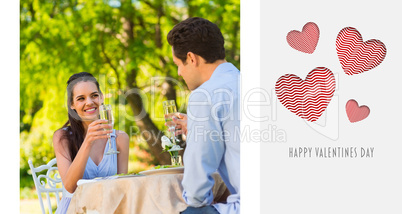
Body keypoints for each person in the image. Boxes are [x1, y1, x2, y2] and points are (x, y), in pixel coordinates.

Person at [167, 17, 240, 214]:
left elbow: (196, 187)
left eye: (178, 64)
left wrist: (196, 202)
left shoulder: (204, 96)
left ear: (191, 58)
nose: (179, 72)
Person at [53, 72, 129, 214]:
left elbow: (123, 186)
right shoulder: (62, 137)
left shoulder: (120, 138)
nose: (89, 102)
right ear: (72, 104)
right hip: (74, 210)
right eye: (81, 98)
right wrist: (88, 141)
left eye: (94, 95)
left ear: (101, 97)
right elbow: (70, 187)